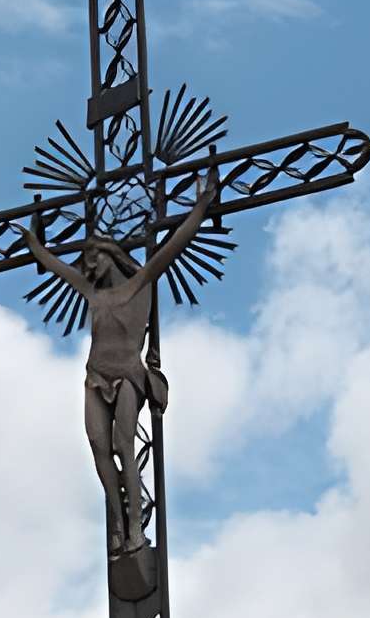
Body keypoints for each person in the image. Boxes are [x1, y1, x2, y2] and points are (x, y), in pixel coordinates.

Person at [18, 169, 223, 562]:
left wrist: (199, 207)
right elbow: (53, 265)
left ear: (107, 255)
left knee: (122, 447)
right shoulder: (91, 294)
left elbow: (174, 246)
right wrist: (33, 242)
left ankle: (133, 529)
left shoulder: (140, 282)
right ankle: (115, 520)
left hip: (128, 375)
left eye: (91, 258)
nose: (86, 266)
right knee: (98, 447)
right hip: (94, 377)